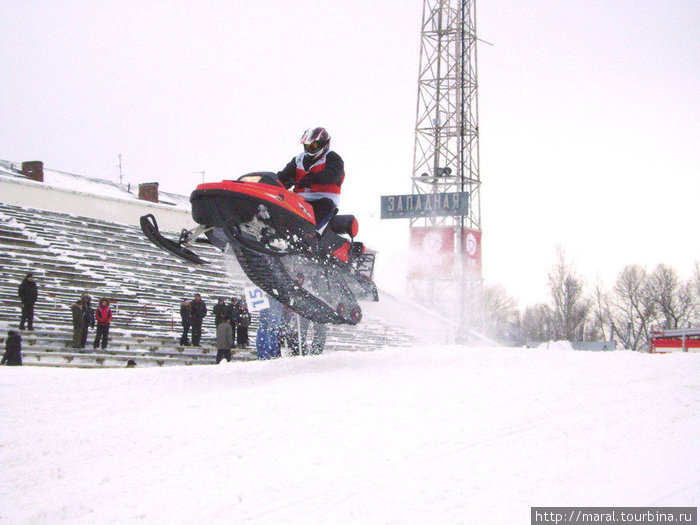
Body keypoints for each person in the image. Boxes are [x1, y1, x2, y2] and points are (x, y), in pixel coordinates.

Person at [277, 127, 345, 230]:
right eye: (307, 146)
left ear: (324, 144)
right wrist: (280, 181)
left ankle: (310, 234)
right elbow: (284, 175)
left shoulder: (332, 158)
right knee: (278, 200)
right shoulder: (298, 159)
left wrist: (312, 179)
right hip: (298, 199)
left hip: (321, 200)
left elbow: (333, 174)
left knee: (325, 205)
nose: (309, 149)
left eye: (313, 146)